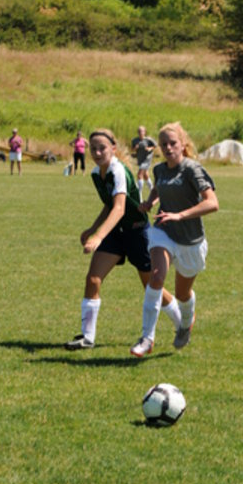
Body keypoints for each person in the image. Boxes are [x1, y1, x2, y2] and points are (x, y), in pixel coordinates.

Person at [65, 128, 183, 351]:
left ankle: (182, 321)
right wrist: (92, 228)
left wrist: (98, 237)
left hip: (137, 232)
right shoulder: (95, 173)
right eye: (93, 148)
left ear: (113, 148)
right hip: (116, 232)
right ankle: (87, 337)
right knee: (93, 279)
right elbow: (109, 205)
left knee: (151, 286)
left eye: (102, 148)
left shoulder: (118, 170)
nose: (97, 153)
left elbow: (119, 209)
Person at [130, 121, 219, 358]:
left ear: (183, 144)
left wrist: (180, 215)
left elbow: (212, 203)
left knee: (182, 294)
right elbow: (158, 189)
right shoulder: (159, 170)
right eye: (164, 144)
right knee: (156, 276)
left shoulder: (192, 169)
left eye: (173, 143)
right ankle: (147, 338)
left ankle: (186, 323)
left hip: (191, 240)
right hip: (164, 230)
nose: (168, 148)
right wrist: (150, 202)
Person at [131, 125, 157, 200]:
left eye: (142, 131)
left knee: (139, 175)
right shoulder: (135, 140)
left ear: (145, 132)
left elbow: (155, 146)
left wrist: (149, 148)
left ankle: (139, 197)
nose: (141, 133)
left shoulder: (148, 140)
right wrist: (135, 149)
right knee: (145, 176)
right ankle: (153, 190)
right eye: (139, 131)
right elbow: (132, 149)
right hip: (140, 159)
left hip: (147, 159)